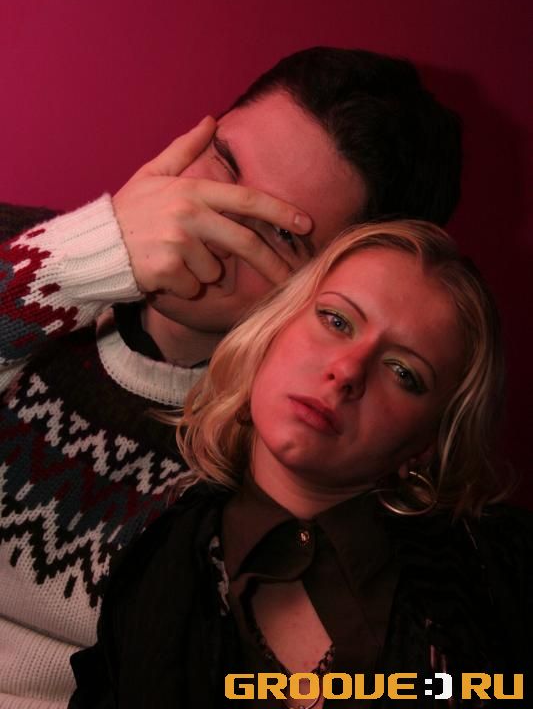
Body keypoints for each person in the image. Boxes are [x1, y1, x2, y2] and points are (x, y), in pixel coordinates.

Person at [0, 47, 462, 707]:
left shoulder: (290, 447)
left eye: (276, 233)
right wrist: (69, 268)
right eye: (223, 165)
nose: (207, 222)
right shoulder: (22, 252)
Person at [69, 220, 531, 709]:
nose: (348, 370)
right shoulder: (150, 569)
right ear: (275, 328)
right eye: (336, 321)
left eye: (403, 372)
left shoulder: (505, 571)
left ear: (425, 444)